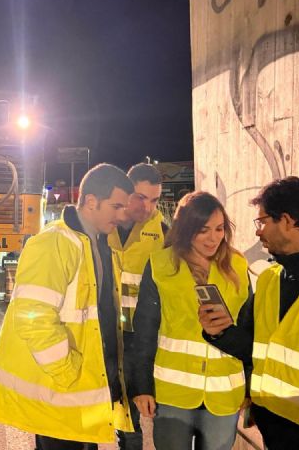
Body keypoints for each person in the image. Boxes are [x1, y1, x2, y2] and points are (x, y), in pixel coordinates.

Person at [0, 163, 135, 449]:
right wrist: (68, 373)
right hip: (63, 389)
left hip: (86, 387)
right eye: (116, 206)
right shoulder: (53, 242)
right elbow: (33, 318)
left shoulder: (101, 244)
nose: (121, 214)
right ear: (91, 201)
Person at [199, 177, 299, 449]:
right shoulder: (271, 279)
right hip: (274, 433)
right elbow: (256, 349)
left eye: (262, 221)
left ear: (287, 221)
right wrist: (221, 333)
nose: (258, 232)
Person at [132, 191, 250, 450]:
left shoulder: (238, 266)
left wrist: (251, 388)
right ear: (186, 229)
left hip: (224, 392)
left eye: (219, 228)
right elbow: (144, 331)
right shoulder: (161, 264)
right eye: (203, 230)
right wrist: (142, 387)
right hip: (173, 392)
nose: (213, 238)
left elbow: (249, 330)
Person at [108, 163, 168, 450]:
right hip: (108, 332)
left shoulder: (164, 234)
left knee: (146, 410)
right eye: (141, 197)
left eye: (154, 200)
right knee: (123, 415)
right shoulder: (104, 226)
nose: (147, 207)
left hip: (144, 336)